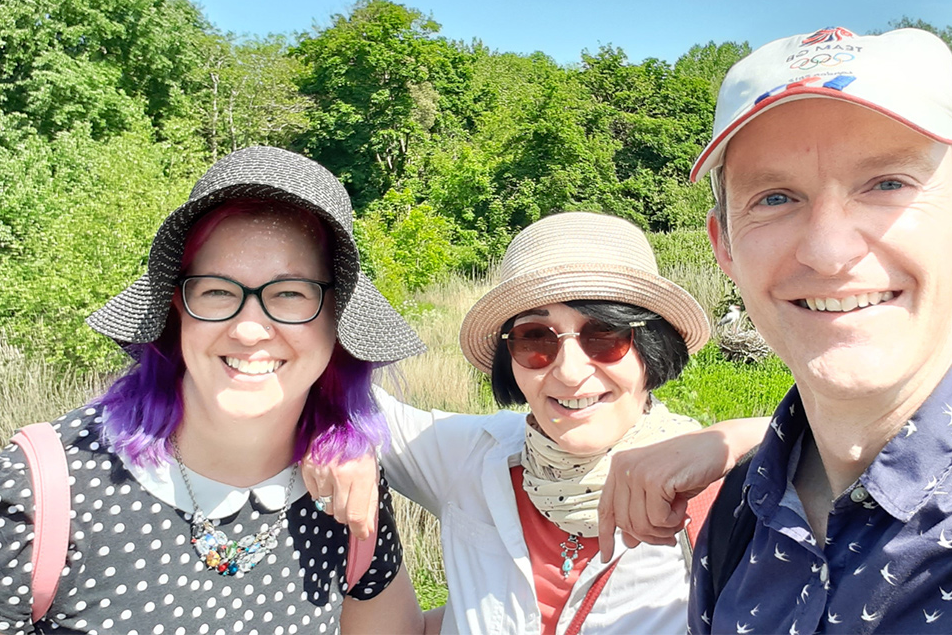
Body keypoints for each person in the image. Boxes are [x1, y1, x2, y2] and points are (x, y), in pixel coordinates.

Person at [608, 27, 952, 633]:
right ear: (725, 245)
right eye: (776, 196)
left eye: (887, 184)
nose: (829, 250)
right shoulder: (738, 516)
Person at [0, 147, 426, 634]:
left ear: (336, 320)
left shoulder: (346, 493)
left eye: (291, 294)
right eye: (217, 291)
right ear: (178, 310)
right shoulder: (44, 490)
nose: (250, 330)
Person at [305, 211, 770, 634]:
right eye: (534, 337)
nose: (569, 371)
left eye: (604, 335)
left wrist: (741, 436)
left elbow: (842, 457)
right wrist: (344, 438)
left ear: (652, 348)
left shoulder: (721, 487)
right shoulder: (470, 457)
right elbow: (302, 376)